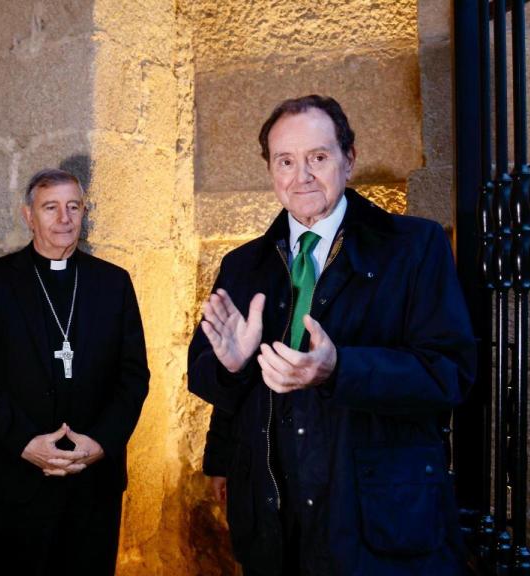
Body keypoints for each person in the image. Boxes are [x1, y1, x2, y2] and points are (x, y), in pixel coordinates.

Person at [187, 95, 476, 575]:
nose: (301, 176)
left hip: (375, 518)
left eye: (317, 158)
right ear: (270, 171)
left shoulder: (414, 247)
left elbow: (449, 374)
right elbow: (206, 381)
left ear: (349, 159)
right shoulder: (241, 265)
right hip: (275, 521)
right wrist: (230, 367)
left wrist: (340, 368)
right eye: (286, 161)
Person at [0, 168, 150, 576]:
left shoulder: (113, 283)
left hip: (93, 478)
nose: (64, 218)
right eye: (51, 207)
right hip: (16, 476)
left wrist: (101, 443)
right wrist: (24, 442)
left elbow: (133, 376)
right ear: (29, 215)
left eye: (73, 206)